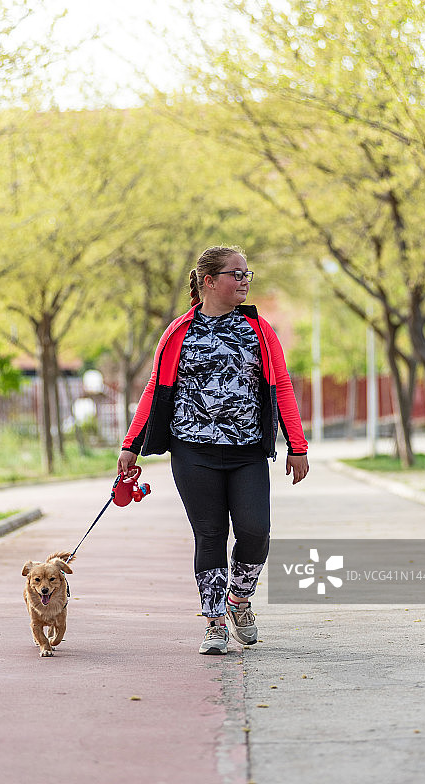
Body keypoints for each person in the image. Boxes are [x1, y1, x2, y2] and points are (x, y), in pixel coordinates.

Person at [117, 245, 309, 655]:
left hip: (247, 452)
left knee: (256, 532)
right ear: (209, 281)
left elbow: (283, 386)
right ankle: (215, 621)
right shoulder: (178, 331)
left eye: (246, 275)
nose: (244, 281)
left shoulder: (259, 329)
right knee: (210, 535)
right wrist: (131, 444)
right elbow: (155, 388)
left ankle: (239, 600)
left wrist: (297, 444)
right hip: (193, 452)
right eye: (235, 274)